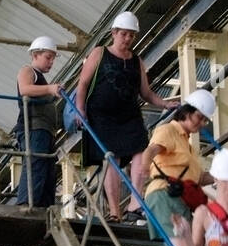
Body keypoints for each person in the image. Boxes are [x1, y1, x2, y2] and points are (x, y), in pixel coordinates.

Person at [74, 11, 178, 223]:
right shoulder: (99, 53)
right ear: (114, 33)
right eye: (124, 34)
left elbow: (146, 93)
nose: (128, 39)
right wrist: (79, 109)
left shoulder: (136, 61)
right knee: (111, 160)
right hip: (102, 117)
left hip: (130, 116)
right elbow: (83, 83)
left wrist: (165, 103)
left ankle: (135, 203)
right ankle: (114, 212)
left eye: (132, 35)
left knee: (141, 155)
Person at [137, 88, 217, 246]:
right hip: (164, 194)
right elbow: (152, 149)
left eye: (204, 120)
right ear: (186, 112)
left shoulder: (188, 145)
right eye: (198, 117)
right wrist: (143, 167)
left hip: (181, 198)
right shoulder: (168, 131)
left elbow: (198, 177)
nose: (201, 123)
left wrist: (222, 175)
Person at [15, 36, 64, 207]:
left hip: (46, 129)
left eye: (52, 58)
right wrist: (50, 89)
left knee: (47, 168)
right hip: (34, 127)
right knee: (35, 163)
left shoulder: (41, 79)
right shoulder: (28, 71)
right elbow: (24, 89)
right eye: (47, 57)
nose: (51, 62)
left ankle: (44, 204)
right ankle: (26, 202)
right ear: (35, 55)